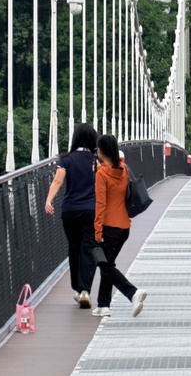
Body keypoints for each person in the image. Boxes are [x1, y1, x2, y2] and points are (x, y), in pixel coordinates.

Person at [91, 134, 148, 318]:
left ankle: (132, 293)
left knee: (106, 266)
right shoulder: (123, 169)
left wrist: (97, 230)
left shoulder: (102, 174)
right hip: (124, 226)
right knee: (108, 265)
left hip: (109, 226)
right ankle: (103, 304)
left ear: (101, 151)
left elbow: (100, 205)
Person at [44, 122, 98, 308]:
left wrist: (49, 200)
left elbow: (58, 181)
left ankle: (77, 288)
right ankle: (85, 290)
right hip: (91, 210)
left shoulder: (65, 159)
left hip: (70, 211)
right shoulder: (95, 160)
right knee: (88, 248)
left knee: (74, 248)